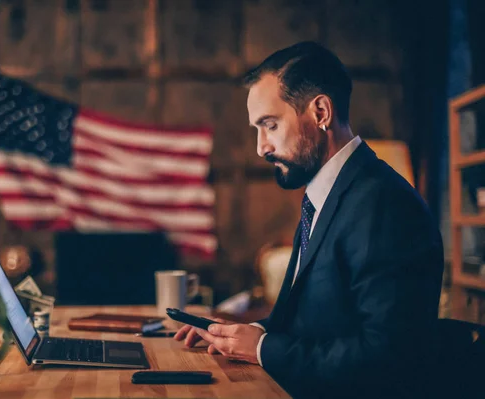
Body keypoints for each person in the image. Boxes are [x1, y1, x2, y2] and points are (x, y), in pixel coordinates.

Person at [174, 41, 444, 398]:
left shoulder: (384, 204)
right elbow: (319, 324)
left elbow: (387, 357)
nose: (261, 147)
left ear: (320, 113)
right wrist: (242, 334)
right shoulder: (326, 195)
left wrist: (261, 349)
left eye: (269, 125)